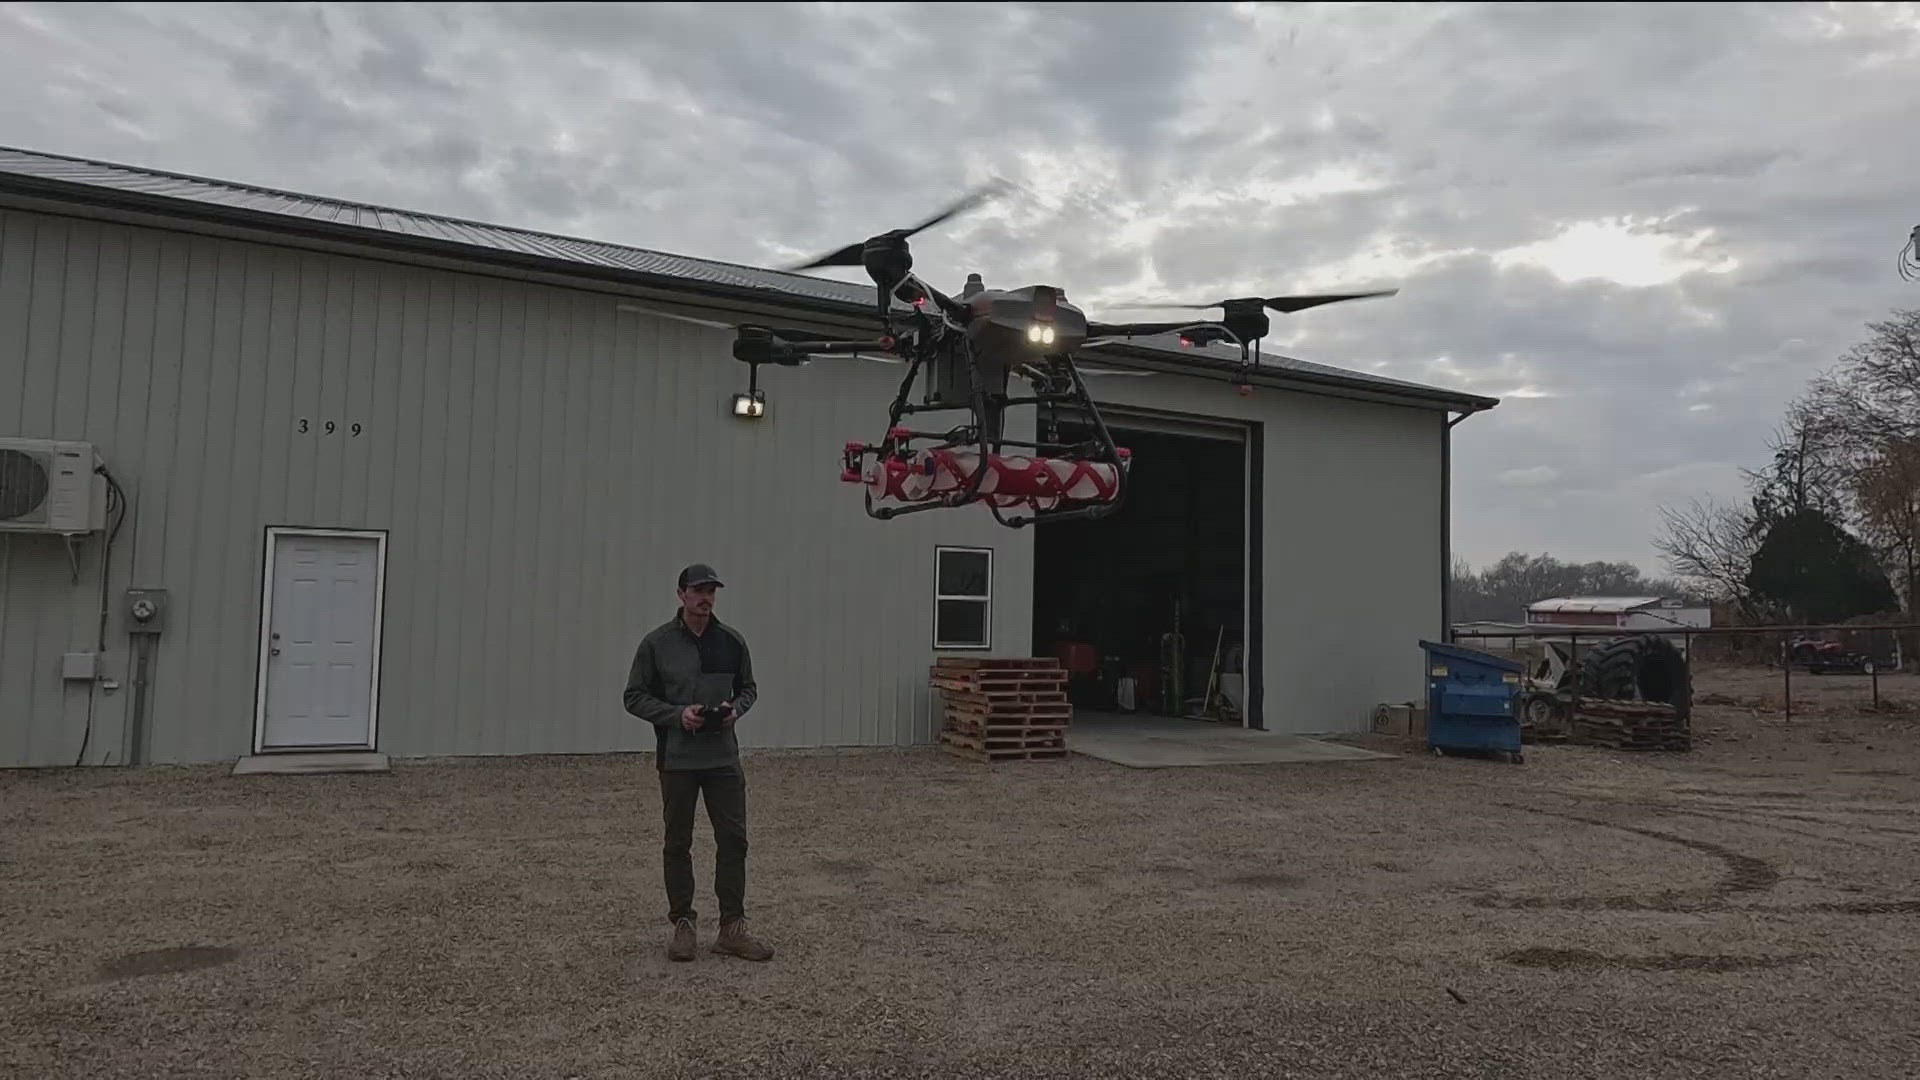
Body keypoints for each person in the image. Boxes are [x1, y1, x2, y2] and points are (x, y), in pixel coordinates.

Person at [622, 563, 774, 963]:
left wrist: (735, 710)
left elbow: (749, 689)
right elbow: (634, 696)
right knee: (678, 842)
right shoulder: (656, 645)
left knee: (734, 840)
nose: (706, 598)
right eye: (698, 590)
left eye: (711, 591)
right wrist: (677, 716)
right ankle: (683, 925)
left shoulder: (731, 642)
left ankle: (732, 928)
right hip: (678, 760)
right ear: (681, 594)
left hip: (723, 758)